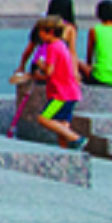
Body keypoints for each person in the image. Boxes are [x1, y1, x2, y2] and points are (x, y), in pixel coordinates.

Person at [14, 13, 84, 147]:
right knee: (62, 124)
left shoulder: (52, 47)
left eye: (41, 32)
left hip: (61, 95)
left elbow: (49, 72)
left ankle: (76, 138)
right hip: (72, 92)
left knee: (43, 118)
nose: (39, 35)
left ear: (50, 32)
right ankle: (66, 150)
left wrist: (40, 65)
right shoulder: (62, 44)